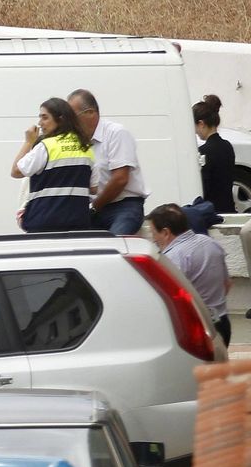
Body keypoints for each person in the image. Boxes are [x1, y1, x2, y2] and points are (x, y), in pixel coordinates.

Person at [148, 202, 229, 345]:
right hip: (222, 323)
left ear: (166, 232)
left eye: (153, 233)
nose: (153, 239)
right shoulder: (210, 243)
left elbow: (169, 301)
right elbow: (227, 284)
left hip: (196, 329)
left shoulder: (172, 257)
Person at [69, 89, 146, 234]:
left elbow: (120, 179)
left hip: (123, 206)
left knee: (115, 247)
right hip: (94, 208)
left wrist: (93, 207)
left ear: (90, 113)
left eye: (73, 117)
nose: (70, 123)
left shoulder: (116, 133)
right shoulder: (77, 141)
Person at [13, 97, 94, 232]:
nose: (40, 123)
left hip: (44, 222)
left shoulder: (46, 146)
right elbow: (94, 188)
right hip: (78, 223)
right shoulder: (86, 147)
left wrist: (28, 142)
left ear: (60, 119)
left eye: (45, 118)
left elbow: (15, 171)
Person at [195, 93, 235, 215]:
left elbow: (204, 186)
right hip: (228, 207)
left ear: (201, 124)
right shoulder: (227, 146)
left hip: (211, 212)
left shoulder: (204, 151)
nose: (196, 132)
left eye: (195, 126)